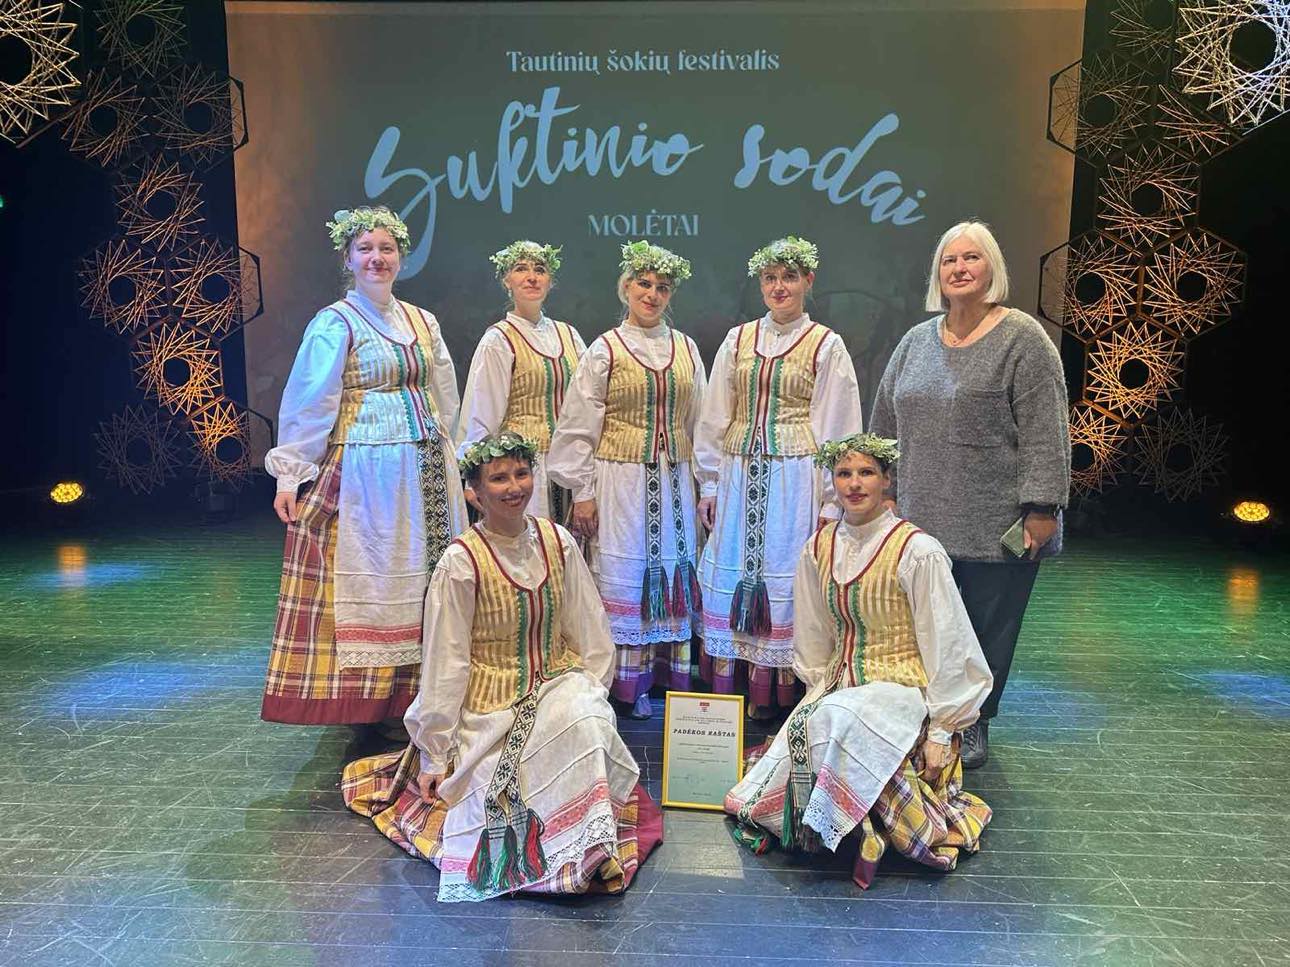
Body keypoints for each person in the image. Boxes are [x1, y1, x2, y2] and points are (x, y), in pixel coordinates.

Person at [342, 433, 662, 902]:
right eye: (498, 478)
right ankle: (557, 850)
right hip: (489, 705)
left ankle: (587, 848)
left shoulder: (558, 542)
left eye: (521, 473)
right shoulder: (461, 563)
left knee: (589, 721)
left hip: (557, 682)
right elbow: (446, 662)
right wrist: (435, 752)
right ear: (474, 492)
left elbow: (589, 629)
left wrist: (591, 689)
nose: (514, 487)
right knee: (505, 781)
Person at [725, 433, 993, 888]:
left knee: (839, 718)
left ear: (886, 479)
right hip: (840, 682)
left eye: (866, 472)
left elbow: (949, 641)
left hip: (901, 685)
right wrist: (815, 690)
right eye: (844, 473)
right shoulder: (820, 546)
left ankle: (860, 828)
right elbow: (813, 632)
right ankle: (855, 830)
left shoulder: (917, 550)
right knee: (810, 730)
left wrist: (943, 728)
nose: (854, 484)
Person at [869, 219, 1070, 768]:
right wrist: (882, 490)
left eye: (971, 258)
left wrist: (1043, 506)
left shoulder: (1022, 339)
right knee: (924, 631)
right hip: (919, 521)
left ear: (992, 268)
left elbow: (1046, 430)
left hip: (995, 523)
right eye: (949, 260)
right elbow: (883, 423)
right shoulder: (915, 342)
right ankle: (924, 718)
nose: (959, 268)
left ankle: (973, 722)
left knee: (986, 631)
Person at [261, 206, 468, 727]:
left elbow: (445, 394)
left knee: (433, 574)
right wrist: (291, 473)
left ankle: (432, 693)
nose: (377, 258)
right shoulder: (336, 322)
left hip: (429, 467)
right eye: (366, 250)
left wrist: (459, 461)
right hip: (369, 471)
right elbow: (311, 400)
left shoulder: (423, 321)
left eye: (387, 249)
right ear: (347, 259)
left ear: (401, 257)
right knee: (380, 577)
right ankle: (377, 703)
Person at [694, 237, 863, 718]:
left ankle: (775, 693)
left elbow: (838, 424)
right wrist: (710, 482)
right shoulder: (739, 340)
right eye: (770, 278)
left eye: (789, 277)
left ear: (808, 280)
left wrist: (832, 499)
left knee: (785, 570)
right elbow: (715, 413)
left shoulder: (825, 345)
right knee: (734, 568)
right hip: (737, 472)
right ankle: (731, 686)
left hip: (795, 478)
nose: (779, 287)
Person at [549, 241, 708, 719]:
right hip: (620, 480)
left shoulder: (686, 348)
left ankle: (664, 679)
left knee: (671, 570)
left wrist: (706, 482)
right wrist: (583, 492)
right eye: (644, 284)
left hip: (674, 479)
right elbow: (579, 423)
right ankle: (624, 684)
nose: (652, 294)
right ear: (626, 288)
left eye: (662, 287)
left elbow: (701, 420)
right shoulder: (605, 349)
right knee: (625, 573)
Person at [457, 240, 585, 520]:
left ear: (550, 281)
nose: (531, 277)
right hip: (522, 469)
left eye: (539, 270)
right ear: (507, 280)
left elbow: (586, 404)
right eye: (521, 269)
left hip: (569, 465)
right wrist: (472, 478)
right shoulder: (499, 340)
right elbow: (482, 413)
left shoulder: (569, 335)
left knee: (567, 543)